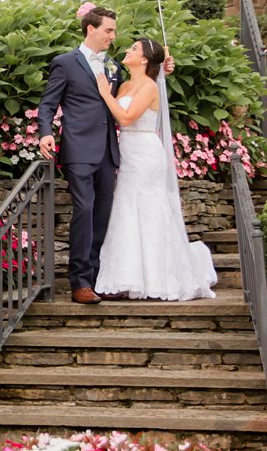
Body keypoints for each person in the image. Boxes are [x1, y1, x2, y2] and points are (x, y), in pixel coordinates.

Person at [91, 37, 218, 301]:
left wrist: (105, 93)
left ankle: (157, 276)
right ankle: (127, 276)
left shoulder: (149, 86)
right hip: (126, 152)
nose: (128, 50)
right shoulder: (125, 83)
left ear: (145, 59)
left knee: (149, 209)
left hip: (146, 153)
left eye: (134, 49)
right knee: (126, 208)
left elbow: (126, 117)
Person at [35, 4, 123, 304]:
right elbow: (47, 104)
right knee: (84, 210)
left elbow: (128, 97)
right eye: (109, 30)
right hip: (79, 148)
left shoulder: (113, 66)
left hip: (108, 150)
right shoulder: (66, 63)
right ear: (91, 29)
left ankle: (98, 279)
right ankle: (80, 283)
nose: (113, 35)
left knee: (102, 215)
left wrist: (160, 69)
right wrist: (46, 132)